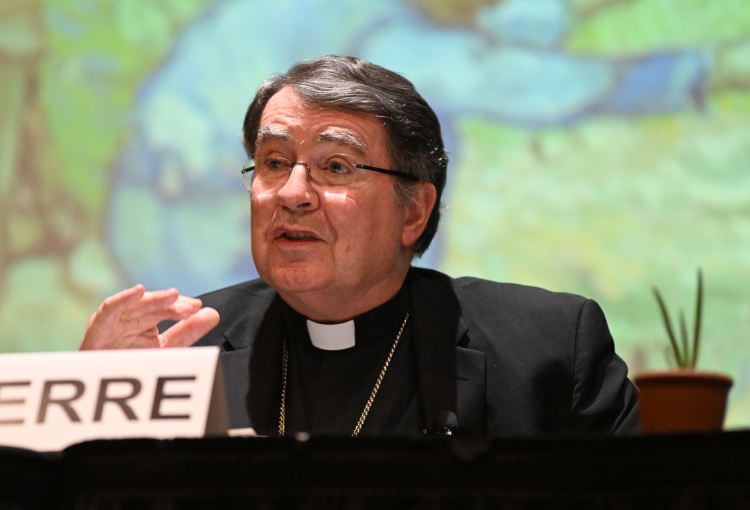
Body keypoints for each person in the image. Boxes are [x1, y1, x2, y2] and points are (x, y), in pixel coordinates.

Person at [80, 55, 639, 438]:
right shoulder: (180, 357)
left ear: (414, 211)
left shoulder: (547, 354)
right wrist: (91, 407)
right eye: (274, 162)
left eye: (336, 167)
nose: (293, 193)